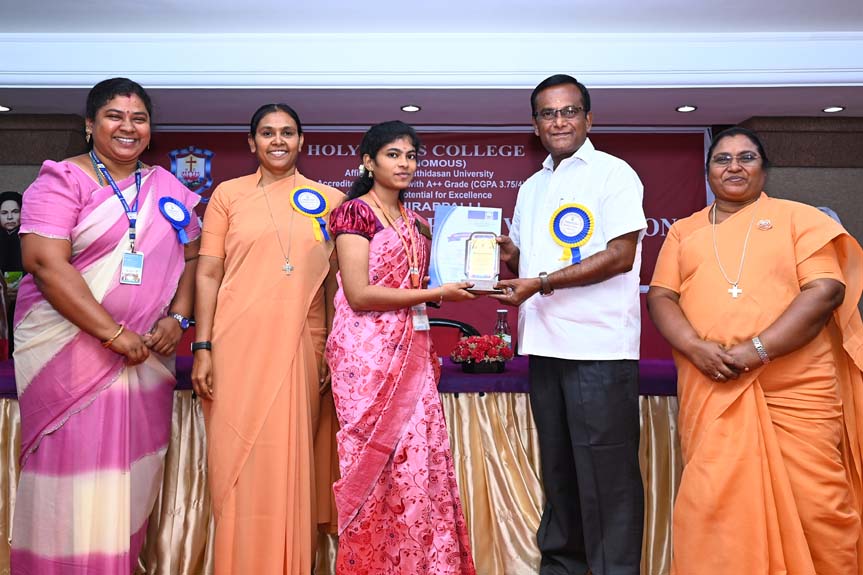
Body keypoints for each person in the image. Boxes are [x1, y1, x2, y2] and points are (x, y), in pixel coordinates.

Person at [647, 126, 863, 574]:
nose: (734, 166)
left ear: (764, 169)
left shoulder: (800, 219)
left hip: (797, 390)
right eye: (722, 159)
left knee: (818, 506)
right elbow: (661, 297)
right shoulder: (684, 231)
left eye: (746, 157)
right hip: (713, 384)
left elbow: (825, 291)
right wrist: (696, 348)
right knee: (714, 503)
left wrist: (757, 350)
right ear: (707, 172)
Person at [10, 77, 201, 574]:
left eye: (139, 118)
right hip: (69, 355)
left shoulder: (167, 188)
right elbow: (44, 263)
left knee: (129, 481)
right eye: (115, 116)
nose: (127, 127)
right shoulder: (61, 181)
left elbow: (194, 258)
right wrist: (112, 334)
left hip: (146, 360)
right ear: (90, 124)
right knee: (72, 476)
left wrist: (178, 317)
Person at [492, 74, 646, 575]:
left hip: (598, 350)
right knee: (559, 473)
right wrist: (511, 256)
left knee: (608, 478)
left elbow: (620, 256)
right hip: (544, 346)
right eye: (548, 113)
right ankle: (562, 568)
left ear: (588, 118)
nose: (559, 121)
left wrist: (539, 281)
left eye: (569, 111)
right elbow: (530, 265)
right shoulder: (532, 186)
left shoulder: (613, 173)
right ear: (535, 124)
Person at [191, 103, 344, 574]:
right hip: (234, 344)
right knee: (236, 457)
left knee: (287, 458)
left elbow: (337, 285)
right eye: (267, 132)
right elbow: (209, 273)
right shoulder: (228, 195)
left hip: (302, 342)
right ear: (251, 142)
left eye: (287, 132)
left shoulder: (331, 200)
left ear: (302, 141)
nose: (278, 140)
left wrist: (331, 346)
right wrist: (203, 346)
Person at [325, 120, 477, 574]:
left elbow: (439, 273)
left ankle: (418, 562)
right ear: (368, 162)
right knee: (372, 461)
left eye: (411, 156)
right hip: (364, 357)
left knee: (417, 460)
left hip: (411, 348)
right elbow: (359, 294)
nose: (405, 163)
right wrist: (437, 294)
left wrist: (489, 256)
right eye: (393, 154)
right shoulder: (354, 214)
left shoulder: (419, 223)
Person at [1, 191, 23, 346]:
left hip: (24, 298)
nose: (10, 217)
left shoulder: (28, 238)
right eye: (4, 213)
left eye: (15, 212)